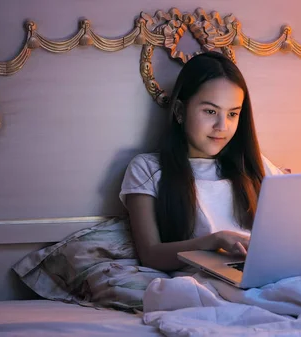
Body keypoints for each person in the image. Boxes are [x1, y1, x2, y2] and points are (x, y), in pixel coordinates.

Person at [119, 51, 284, 272]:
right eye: (210, 111)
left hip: (265, 271)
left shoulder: (255, 165)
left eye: (233, 114)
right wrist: (214, 241)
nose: (222, 126)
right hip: (206, 277)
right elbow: (151, 254)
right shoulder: (147, 169)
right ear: (179, 111)